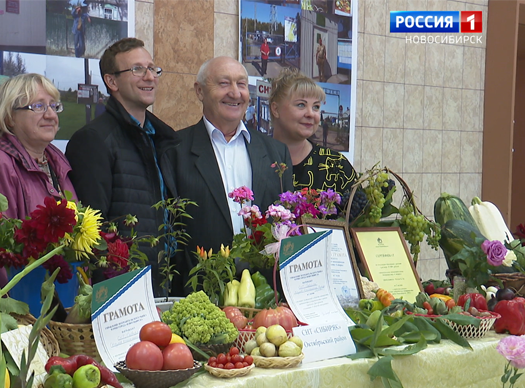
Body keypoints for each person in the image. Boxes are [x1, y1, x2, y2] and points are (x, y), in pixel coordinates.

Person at [66, 38, 180, 297]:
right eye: (137, 69)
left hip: (164, 285)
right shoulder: (93, 140)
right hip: (123, 294)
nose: (149, 76)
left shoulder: (164, 138)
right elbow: (92, 230)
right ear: (112, 81)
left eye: (153, 68)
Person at [167, 56, 292, 277]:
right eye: (224, 83)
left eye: (241, 84)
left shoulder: (276, 152)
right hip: (199, 289)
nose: (235, 93)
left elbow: (286, 225)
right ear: (199, 91)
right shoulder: (174, 150)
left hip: (263, 289)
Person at [0, 73, 76, 221]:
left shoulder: (58, 160)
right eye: (39, 106)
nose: (51, 115)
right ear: (10, 117)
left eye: (53, 106)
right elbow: (1, 238)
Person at [269, 68, 356, 194]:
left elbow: (360, 211)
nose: (311, 114)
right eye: (301, 105)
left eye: (316, 107)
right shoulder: (253, 161)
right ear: (275, 109)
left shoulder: (336, 166)